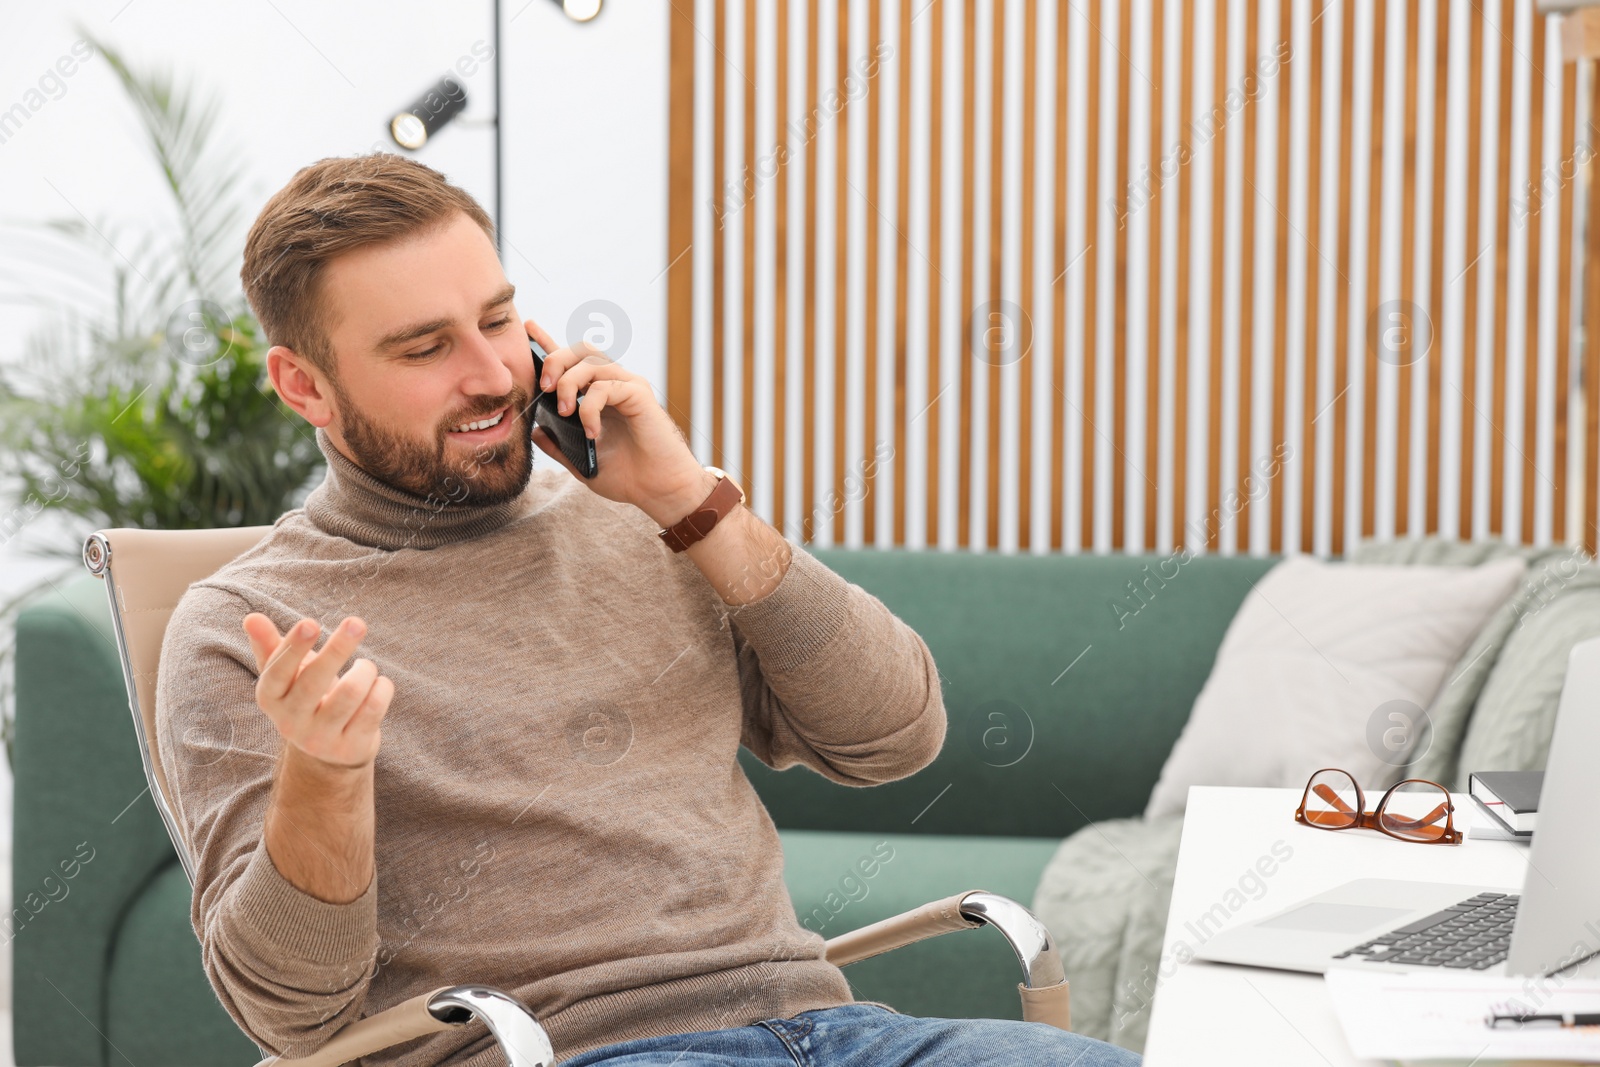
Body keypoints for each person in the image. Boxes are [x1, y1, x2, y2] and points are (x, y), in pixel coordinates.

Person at [156, 151, 1139, 1067]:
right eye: (425, 348)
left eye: (498, 319)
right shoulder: (252, 625)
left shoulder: (639, 520)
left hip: (835, 1030)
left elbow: (893, 735)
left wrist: (691, 501)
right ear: (305, 385)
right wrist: (323, 777)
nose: (494, 374)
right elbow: (291, 1014)